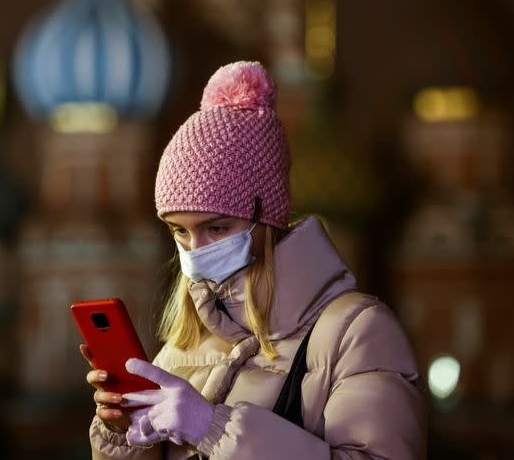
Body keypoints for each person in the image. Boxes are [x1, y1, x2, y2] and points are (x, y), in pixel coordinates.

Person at [81, 61, 427, 459]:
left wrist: (211, 427)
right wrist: (125, 432)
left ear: (267, 219)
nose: (195, 250)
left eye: (218, 227)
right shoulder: (182, 346)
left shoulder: (356, 333)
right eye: (179, 230)